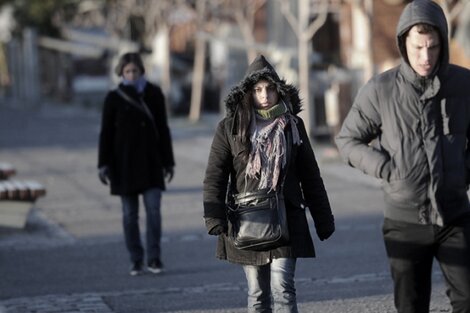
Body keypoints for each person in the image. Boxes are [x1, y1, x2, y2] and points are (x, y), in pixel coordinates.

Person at [335, 1, 470, 312]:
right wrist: (388, 169)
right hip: (404, 220)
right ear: (403, 43)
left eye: (433, 47)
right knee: (410, 305)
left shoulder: (463, 85)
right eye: (418, 47)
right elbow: (347, 140)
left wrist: (464, 171)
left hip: (455, 216)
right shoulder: (381, 89)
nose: (425, 56)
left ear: (443, 44)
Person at [203, 55, 335, 312]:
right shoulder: (230, 128)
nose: (264, 95)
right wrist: (214, 216)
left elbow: (311, 176)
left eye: (270, 88)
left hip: (288, 218)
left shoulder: (293, 126)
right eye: (258, 90)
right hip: (248, 221)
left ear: (279, 90)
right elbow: (215, 174)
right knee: (257, 293)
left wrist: (323, 219)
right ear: (248, 93)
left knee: (283, 288)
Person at [98, 52, 175, 276]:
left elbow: (163, 128)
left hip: (151, 163)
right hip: (123, 166)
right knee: (130, 215)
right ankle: (136, 258)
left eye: (135, 71)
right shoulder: (113, 98)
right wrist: (103, 164)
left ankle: (154, 258)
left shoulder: (153, 93)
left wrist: (168, 162)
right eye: (127, 71)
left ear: (142, 71)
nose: (131, 75)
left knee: (153, 210)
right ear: (121, 73)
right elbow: (106, 134)